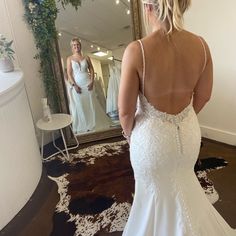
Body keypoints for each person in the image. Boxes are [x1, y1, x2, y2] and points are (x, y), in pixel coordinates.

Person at [118, 0, 236, 235]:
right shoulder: (201, 46)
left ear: (148, 8)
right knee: (185, 184)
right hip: (188, 135)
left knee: (154, 196)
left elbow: (125, 112)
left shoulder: (137, 50)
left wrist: (130, 135)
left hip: (151, 140)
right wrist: (183, 118)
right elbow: (204, 95)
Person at [67, 37, 95, 134]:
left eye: (78, 44)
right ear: (72, 47)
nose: (76, 46)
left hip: (88, 84)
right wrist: (74, 85)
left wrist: (92, 81)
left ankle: (93, 124)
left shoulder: (86, 57)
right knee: (81, 105)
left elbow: (91, 69)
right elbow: (69, 74)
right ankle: (84, 125)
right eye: (74, 45)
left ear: (80, 46)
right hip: (77, 85)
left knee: (91, 104)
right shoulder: (69, 59)